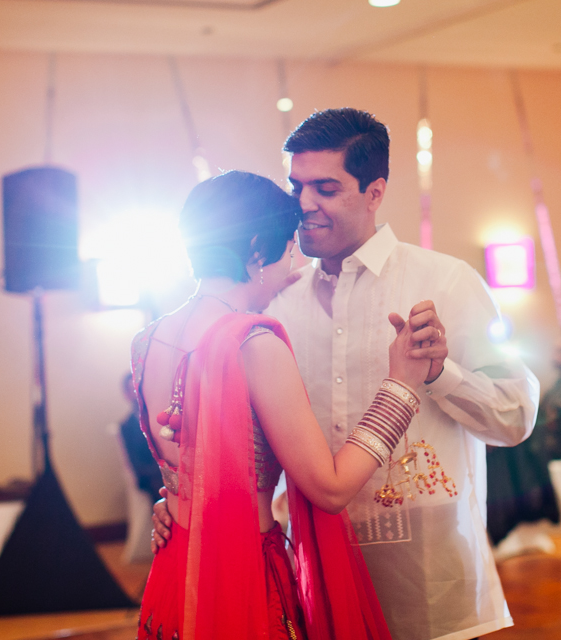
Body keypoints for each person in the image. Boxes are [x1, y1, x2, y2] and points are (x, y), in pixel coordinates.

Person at [154, 109, 539, 640]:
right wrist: (178, 499)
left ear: (375, 191)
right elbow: (228, 437)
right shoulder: (275, 303)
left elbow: (515, 418)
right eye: (297, 186)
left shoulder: (446, 282)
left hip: (424, 573)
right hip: (311, 574)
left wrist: (438, 374)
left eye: (325, 188)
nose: (303, 204)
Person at [133, 170, 433, 639]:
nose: (293, 266)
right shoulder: (252, 341)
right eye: (289, 248)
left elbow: (190, 465)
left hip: (178, 562)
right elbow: (330, 489)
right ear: (256, 250)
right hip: (241, 575)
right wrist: (402, 384)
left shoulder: (146, 340)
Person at [117, 372, 162, 505]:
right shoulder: (126, 426)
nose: (136, 393)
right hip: (152, 478)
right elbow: (135, 461)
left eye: (138, 388)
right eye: (132, 389)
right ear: (126, 394)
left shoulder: (159, 414)